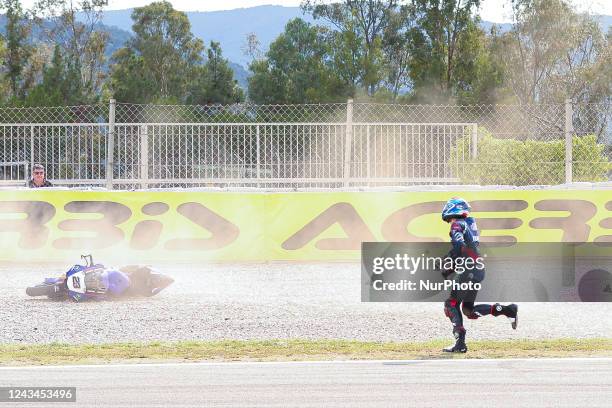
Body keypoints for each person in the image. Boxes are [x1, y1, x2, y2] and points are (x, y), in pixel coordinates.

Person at [441, 197, 518, 353]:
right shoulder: (469, 222)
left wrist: (451, 264)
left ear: (453, 210)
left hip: (468, 270)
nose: (449, 221)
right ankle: (508, 310)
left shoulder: (457, 224)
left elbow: (460, 245)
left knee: (451, 305)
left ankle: (460, 343)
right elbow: (469, 246)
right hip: (477, 269)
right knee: (468, 310)